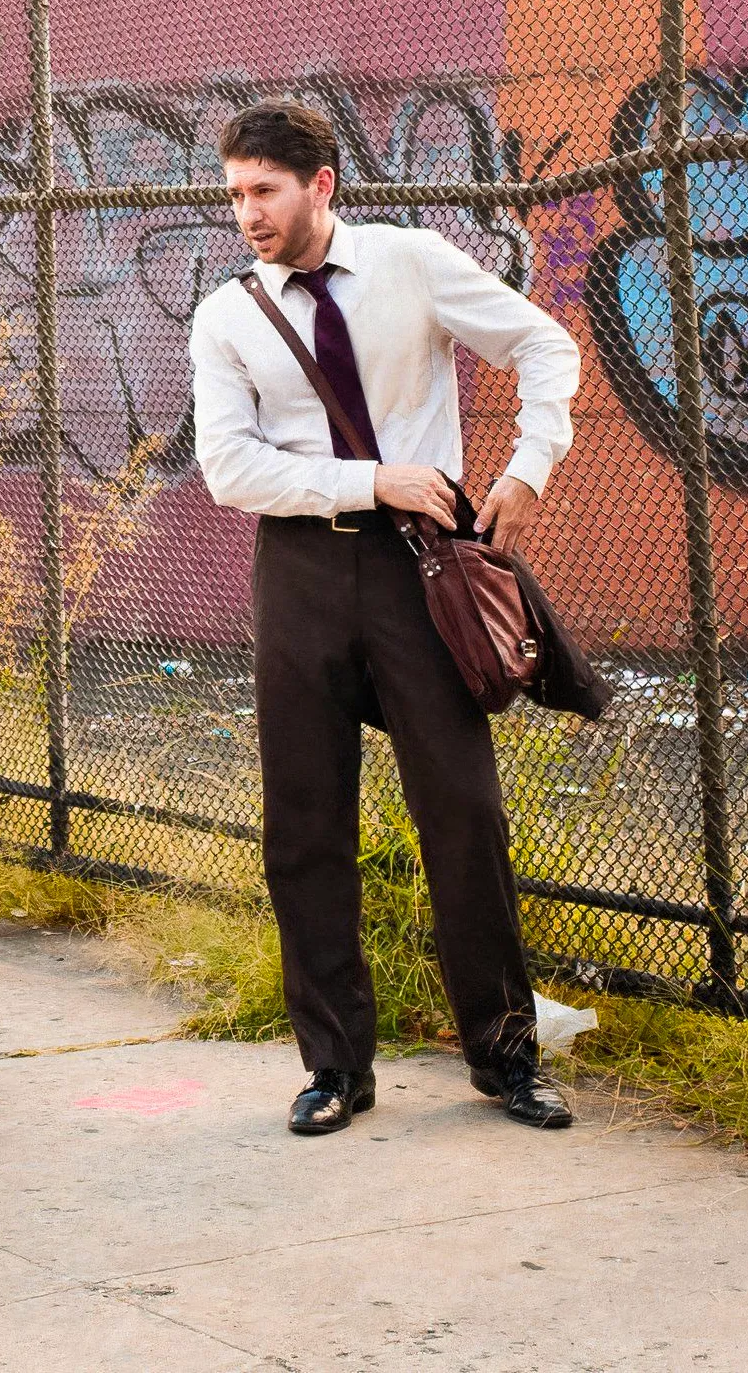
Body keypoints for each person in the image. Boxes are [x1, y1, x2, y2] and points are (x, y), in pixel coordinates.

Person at [184, 99, 584, 1137]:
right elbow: (228, 468)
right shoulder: (226, 315)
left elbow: (546, 349)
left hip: (425, 574)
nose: (247, 214)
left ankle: (505, 1061)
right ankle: (334, 1070)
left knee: (464, 812)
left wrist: (528, 470)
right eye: (234, 194)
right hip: (303, 568)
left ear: (320, 186)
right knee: (305, 821)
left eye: (263, 191)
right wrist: (372, 480)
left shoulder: (409, 263)